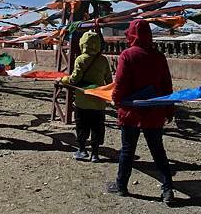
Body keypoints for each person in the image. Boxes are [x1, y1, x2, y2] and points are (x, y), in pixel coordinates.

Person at [106, 19, 175, 205]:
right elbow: (166, 85)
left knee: (127, 150)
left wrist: (115, 99)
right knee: (158, 151)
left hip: (131, 112)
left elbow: (120, 83)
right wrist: (169, 109)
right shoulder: (159, 57)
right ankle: (168, 189)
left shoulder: (127, 55)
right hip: (155, 111)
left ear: (131, 34)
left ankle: (121, 186)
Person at [61, 31, 112, 162]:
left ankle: (82, 150)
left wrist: (63, 79)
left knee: (82, 126)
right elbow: (109, 81)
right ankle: (95, 154)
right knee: (97, 127)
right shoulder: (103, 60)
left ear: (82, 43)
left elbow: (74, 80)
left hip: (82, 102)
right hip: (99, 101)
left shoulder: (81, 59)